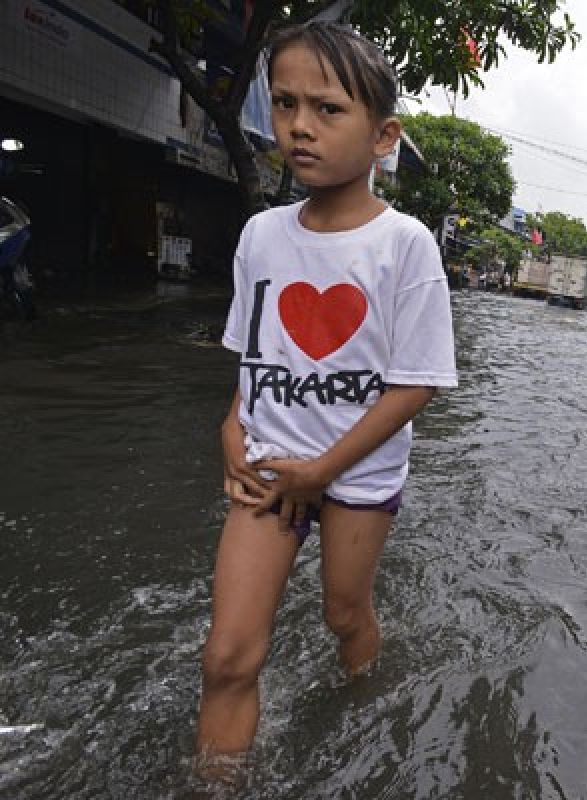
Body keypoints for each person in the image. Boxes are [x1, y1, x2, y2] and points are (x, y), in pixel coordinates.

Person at [198, 20, 457, 774]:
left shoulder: (406, 244)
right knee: (226, 656)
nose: (299, 127)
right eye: (284, 104)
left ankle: (365, 698)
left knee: (344, 613)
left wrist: (325, 470)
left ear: (384, 137)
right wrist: (230, 426)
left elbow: (415, 385)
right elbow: (252, 360)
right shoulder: (260, 237)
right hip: (271, 468)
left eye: (328, 109)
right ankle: (215, 787)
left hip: (358, 474)